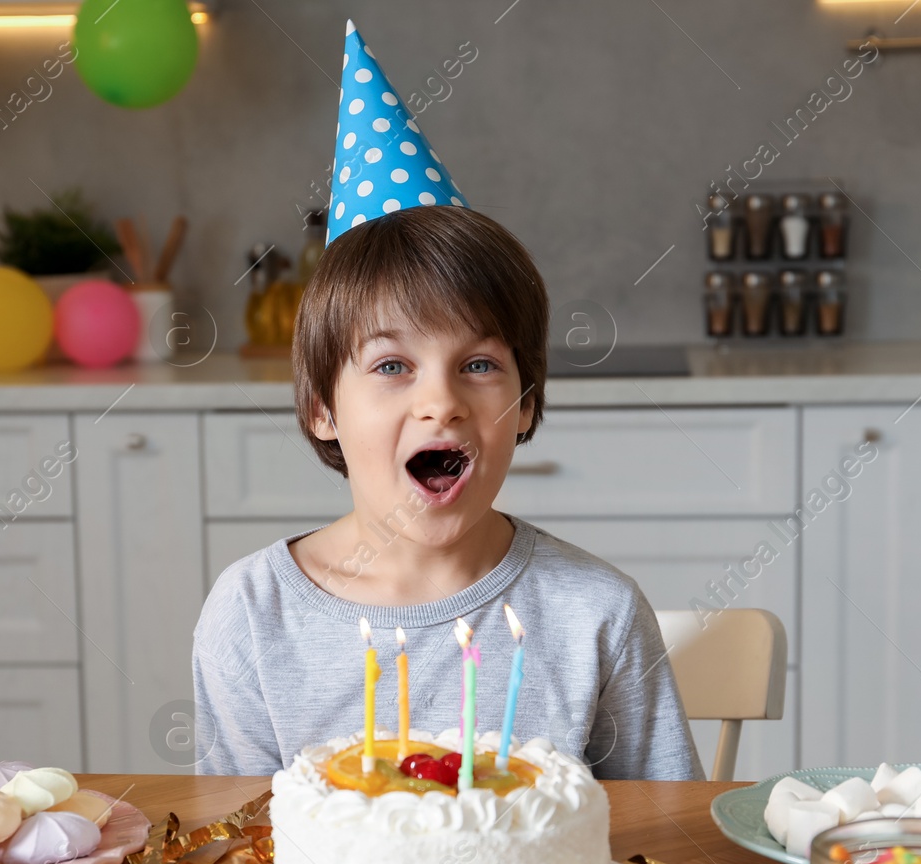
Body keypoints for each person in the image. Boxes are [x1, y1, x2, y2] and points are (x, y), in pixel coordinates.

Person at [191, 204, 702, 781]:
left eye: (479, 364)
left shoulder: (597, 614)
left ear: (525, 404)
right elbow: (239, 852)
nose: (442, 402)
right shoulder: (253, 614)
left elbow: (665, 841)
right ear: (322, 409)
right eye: (391, 366)